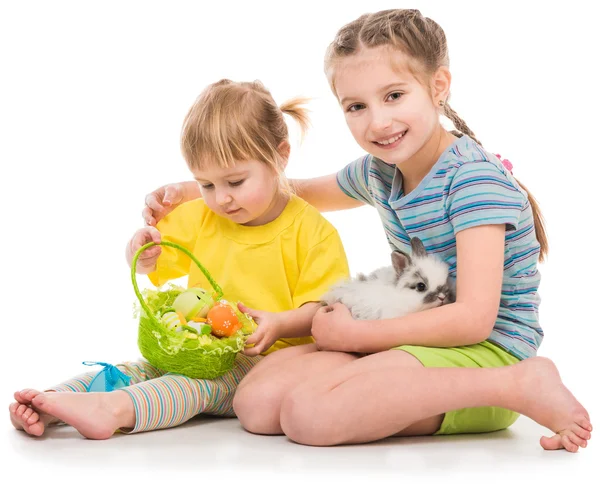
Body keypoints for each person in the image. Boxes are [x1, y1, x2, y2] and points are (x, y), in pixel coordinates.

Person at [139, 9, 592, 452]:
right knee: (255, 403)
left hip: (485, 352)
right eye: (356, 106)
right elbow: (291, 190)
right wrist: (194, 190)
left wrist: (357, 338)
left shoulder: (473, 183)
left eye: (394, 96)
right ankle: (383, 383)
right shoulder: (380, 171)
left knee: (309, 416)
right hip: (412, 335)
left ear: (438, 86)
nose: (378, 122)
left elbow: (473, 319)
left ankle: (515, 386)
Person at [8, 79, 349, 439]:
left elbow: (323, 310)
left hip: (261, 361)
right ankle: (53, 401)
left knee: (195, 386)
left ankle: (114, 410)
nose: (221, 200)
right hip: (196, 347)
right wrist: (141, 253)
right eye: (206, 185)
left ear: (280, 156)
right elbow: (152, 264)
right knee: (140, 369)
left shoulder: (312, 232)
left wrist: (278, 324)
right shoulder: (202, 215)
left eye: (235, 182)